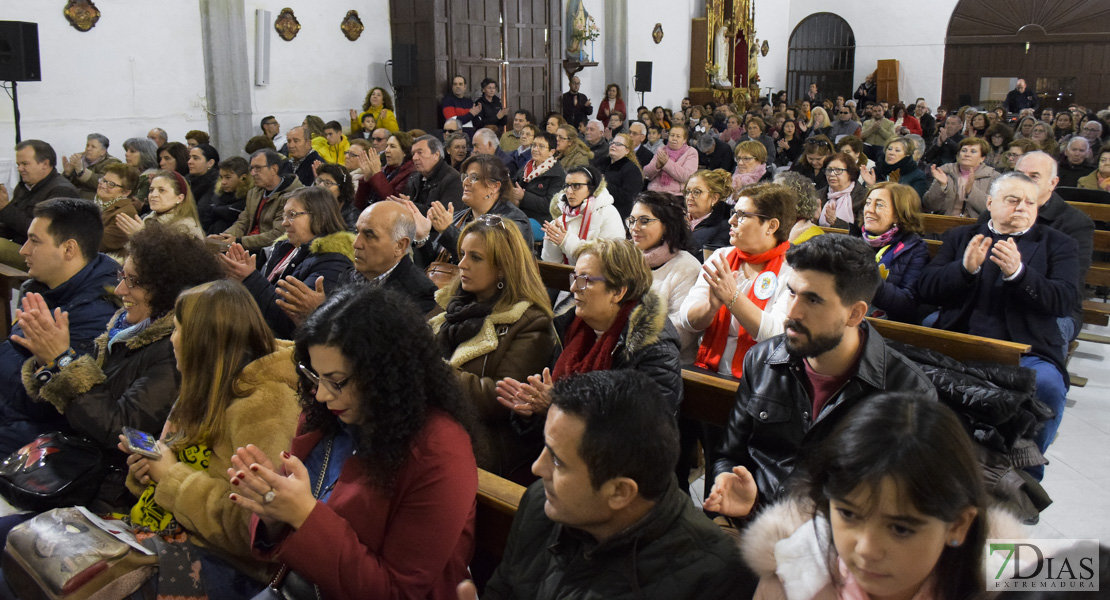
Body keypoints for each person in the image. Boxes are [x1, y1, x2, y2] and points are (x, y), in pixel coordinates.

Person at [228, 285, 478, 600]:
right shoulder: (327, 415)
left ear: (385, 374)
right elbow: (290, 521)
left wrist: (303, 514)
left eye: (337, 381)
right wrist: (272, 510)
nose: (320, 394)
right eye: (315, 376)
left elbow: (395, 592)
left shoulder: (440, 452)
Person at [705, 234, 936, 518]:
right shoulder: (763, 359)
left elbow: (902, 504)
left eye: (813, 300)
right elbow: (729, 454)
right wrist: (732, 490)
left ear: (855, 314)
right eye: (791, 292)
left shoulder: (907, 391)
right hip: (755, 524)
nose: (792, 311)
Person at [469, 371, 754, 599]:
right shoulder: (540, 504)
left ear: (620, 492)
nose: (537, 468)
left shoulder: (713, 577)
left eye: (557, 461)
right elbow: (504, 588)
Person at [15, 223, 223, 508]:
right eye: (122, 275)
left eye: (134, 281)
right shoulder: (124, 328)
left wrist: (63, 361)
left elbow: (122, 430)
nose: (120, 288)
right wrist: (49, 362)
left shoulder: (174, 351)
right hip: (80, 468)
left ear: (168, 290)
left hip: (114, 491)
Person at [119, 280, 300, 593]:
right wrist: (149, 471)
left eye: (177, 330)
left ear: (202, 341)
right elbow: (178, 463)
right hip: (166, 535)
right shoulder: (203, 384)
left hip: (226, 568)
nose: (171, 341)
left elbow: (253, 530)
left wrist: (171, 477)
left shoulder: (265, 405)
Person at [742, 393, 990, 600]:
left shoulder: (1012, 586)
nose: (866, 549)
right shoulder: (787, 584)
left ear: (958, 525)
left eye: (900, 529)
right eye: (848, 514)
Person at [918, 172, 1078, 481]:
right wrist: (964, 270)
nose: (1022, 207)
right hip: (960, 339)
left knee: (1047, 386)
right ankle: (931, 463)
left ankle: (1025, 477)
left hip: (1026, 348)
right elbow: (926, 288)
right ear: (990, 202)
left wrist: (1019, 273)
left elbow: (1063, 301)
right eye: (1012, 200)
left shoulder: (1056, 243)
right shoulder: (961, 237)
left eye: (1030, 202)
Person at [428, 217, 554, 480]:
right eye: (462, 254)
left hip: (484, 443)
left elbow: (499, 399)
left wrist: (432, 370)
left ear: (502, 268)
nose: (461, 264)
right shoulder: (452, 303)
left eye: (475, 258)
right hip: (434, 421)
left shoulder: (530, 322)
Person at [497, 238, 683, 416]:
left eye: (585, 280)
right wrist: (530, 409)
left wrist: (558, 407)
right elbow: (547, 398)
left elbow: (641, 427)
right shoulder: (568, 327)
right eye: (575, 278)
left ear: (618, 291)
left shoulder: (655, 349)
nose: (573, 289)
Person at [0, 199, 119, 455]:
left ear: (68, 249)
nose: (23, 250)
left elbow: (46, 404)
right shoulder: (41, 288)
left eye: (35, 241)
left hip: (38, 442)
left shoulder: (97, 314)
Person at [681, 183, 797, 380]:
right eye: (734, 212)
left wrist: (732, 298)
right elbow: (687, 320)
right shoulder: (721, 256)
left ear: (771, 226)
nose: (731, 220)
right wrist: (710, 307)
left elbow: (777, 336)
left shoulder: (793, 271)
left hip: (760, 380)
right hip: (706, 371)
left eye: (742, 215)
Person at [222, 187, 354, 339]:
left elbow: (288, 323)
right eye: (284, 216)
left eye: (292, 215)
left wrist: (249, 278)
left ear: (320, 216)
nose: (284, 223)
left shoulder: (333, 261)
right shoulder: (286, 248)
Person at [415, 154, 532, 267]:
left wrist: (447, 231)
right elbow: (431, 265)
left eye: (473, 178)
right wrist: (422, 239)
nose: (465, 182)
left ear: (494, 187)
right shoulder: (457, 217)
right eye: (465, 177)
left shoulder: (514, 221)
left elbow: (489, 261)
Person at [628, 191, 701, 361]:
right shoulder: (626, 257)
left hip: (667, 362)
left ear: (667, 225)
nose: (634, 228)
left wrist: (630, 339)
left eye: (644, 221)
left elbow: (682, 331)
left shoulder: (686, 267)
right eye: (631, 220)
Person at [0, 140, 81, 268]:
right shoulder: (24, 187)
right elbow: (10, 227)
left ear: (44, 164)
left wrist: (5, 208)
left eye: (25, 164)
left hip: (46, 257)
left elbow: (43, 234)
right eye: (18, 164)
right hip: (23, 247)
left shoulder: (62, 191)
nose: (20, 169)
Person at [859, 182, 930, 323]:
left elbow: (907, 303)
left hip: (888, 326)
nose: (869, 210)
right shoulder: (855, 240)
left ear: (898, 214)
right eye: (868, 203)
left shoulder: (915, 249)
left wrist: (868, 276)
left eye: (879, 205)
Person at [211, 149, 304, 252]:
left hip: (269, 251)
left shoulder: (292, 196)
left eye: (258, 168)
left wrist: (238, 241)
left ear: (274, 169)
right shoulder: (254, 192)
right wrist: (224, 238)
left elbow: (277, 235)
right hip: (248, 245)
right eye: (251, 168)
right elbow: (243, 222)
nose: (253, 173)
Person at [542, 165, 624, 265]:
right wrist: (552, 241)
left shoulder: (608, 212)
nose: (569, 191)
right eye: (567, 186)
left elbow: (612, 257)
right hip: (567, 277)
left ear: (592, 188)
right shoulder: (561, 218)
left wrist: (566, 241)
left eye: (576, 186)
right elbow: (552, 264)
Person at [923, 136, 1000, 217]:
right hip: (944, 222)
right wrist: (942, 186)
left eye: (973, 151)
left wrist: (971, 191)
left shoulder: (993, 177)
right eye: (964, 150)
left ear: (982, 158)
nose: (967, 154)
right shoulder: (945, 171)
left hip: (975, 226)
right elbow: (930, 205)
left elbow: (993, 209)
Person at [116, 170, 205, 240]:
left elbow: (171, 261)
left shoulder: (185, 228)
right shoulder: (150, 218)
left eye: (162, 190)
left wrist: (141, 236)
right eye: (151, 190)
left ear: (179, 198)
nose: (153, 195)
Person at [396, 135, 465, 219]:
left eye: (420, 152)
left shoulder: (453, 179)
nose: (414, 158)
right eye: (413, 154)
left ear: (436, 154)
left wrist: (409, 205)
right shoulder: (414, 177)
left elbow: (443, 216)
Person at [509, 131, 566, 225]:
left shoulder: (558, 174)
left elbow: (550, 204)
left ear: (551, 152)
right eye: (534, 145)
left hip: (541, 220)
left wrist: (524, 196)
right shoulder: (527, 167)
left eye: (541, 146)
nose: (535, 149)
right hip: (520, 213)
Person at [353, 131, 415, 208]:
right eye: (386, 146)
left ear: (405, 152)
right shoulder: (384, 170)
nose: (387, 150)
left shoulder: (411, 173)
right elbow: (358, 205)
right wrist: (366, 180)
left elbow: (393, 202)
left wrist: (377, 174)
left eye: (392, 146)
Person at [91, 163, 140, 255]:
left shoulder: (126, 213)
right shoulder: (97, 203)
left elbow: (98, 242)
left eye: (111, 184)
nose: (103, 185)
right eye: (103, 180)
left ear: (125, 192)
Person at [686, 168, 734, 258]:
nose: (689, 197)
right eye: (688, 192)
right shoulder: (677, 218)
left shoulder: (724, 227)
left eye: (697, 192)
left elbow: (709, 260)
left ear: (714, 198)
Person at [863, 136, 930, 200]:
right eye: (889, 149)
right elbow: (860, 199)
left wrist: (895, 188)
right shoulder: (875, 171)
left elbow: (914, 203)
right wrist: (870, 186)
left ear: (907, 154)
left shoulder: (917, 176)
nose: (891, 153)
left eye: (897, 150)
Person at [595, 132, 643, 219]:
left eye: (618, 144)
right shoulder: (601, 163)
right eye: (612, 143)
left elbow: (628, 197)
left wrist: (603, 184)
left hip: (618, 213)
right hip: (597, 208)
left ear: (627, 150)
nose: (613, 145)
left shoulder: (631, 170)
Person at [62, 133, 121, 200]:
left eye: (93, 147)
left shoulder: (112, 163)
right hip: (72, 198)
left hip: (94, 201)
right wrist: (67, 174)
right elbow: (65, 185)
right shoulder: (79, 158)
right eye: (87, 145)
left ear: (103, 151)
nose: (88, 149)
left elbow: (102, 183)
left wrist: (82, 172)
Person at [816, 152, 865, 230]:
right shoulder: (818, 195)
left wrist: (836, 222)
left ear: (850, 173)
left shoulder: (863, 197)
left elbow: (861, 230)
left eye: (838, 170)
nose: (832, 174)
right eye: (829, 170)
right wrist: (814, 219)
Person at [644, 125, 698, 195]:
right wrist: (657, 166)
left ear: (684, 139)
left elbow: (687, 177)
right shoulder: (662, 150)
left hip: (676, 194)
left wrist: (666, 163)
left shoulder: (691, 152)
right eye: (672, 135)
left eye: (678, 136)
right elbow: (647, 174)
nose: (674, 138)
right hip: (654, 192)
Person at [203, 157, 251, 236]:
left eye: (228, 177)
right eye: (221, 177)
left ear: (243, 177)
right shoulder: (218, 195)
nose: (223, 182)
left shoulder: (248, 199)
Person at [314, 162, 359, 230]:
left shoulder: (352, 215)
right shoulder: (312, 207)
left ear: (342, 189)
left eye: (328, 183)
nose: (321, 186)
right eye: (319, 181)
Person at [186, 144, 221, 229]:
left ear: (210, 163)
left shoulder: (216, 183)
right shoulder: (187, 179)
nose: (189, 161)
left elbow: (202, 212)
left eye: (195, 158)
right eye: (190, 157)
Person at [122, 137, 159, 209]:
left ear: (145, 154)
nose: (126, 154)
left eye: (132, 151)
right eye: (127, 150)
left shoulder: (150, 177)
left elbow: (134, 203)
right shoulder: (131, 172)